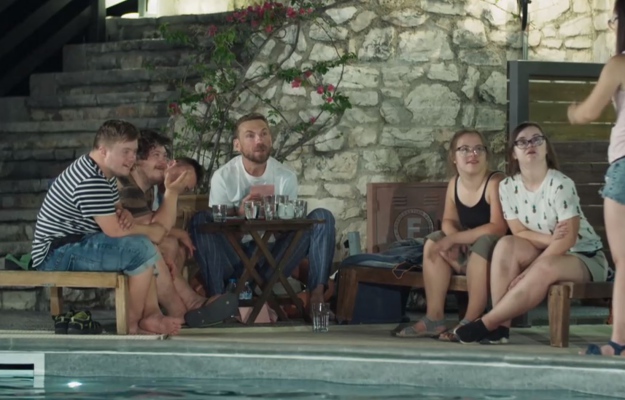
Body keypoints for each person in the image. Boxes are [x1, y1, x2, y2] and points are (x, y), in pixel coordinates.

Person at [454, 122, 609, 344]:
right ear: (514, 153)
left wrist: (530, 270)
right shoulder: (507, 187)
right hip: (546, 247)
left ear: (546, 148)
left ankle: (488, 322)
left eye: (537, 139)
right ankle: (501, 331)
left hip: (584, 256)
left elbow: (568, 239)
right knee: (506, 244)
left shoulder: (561, 184)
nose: (530, 145)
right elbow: (518, 231)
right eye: (522, 142)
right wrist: (550, 239)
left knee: (546, 267)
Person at [31, 120, 183, 335]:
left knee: (141, 246)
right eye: (126, 152)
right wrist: (153, 231)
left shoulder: (104, 172)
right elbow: (114, 230)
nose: (132, 158)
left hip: (78, 242)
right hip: (55, 254)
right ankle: (131, 325)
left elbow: (117, 210)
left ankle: (149, 316)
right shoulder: (89, 179)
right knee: (140, 248)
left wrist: (125, 213)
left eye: (134, 151)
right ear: (103, 150)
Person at [188, 112, 336, 308]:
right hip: (235, 258)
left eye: (264, 134)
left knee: (323, 217)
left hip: (273, 258)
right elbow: (217, 234)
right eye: (250, 135)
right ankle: (218, 301)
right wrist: (240, 214)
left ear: (271, 139)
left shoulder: (285, 176)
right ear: (237, 145)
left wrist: (274, 217)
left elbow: (288, 234)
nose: (259, 140)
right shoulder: (223, 177)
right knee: (201, 219)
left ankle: (316, 297)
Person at [394, 130, 507, 341]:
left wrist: (456, 239)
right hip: (467, 252)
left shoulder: (495, 182)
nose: (472, 154)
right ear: (454, 157)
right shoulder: (455, 183)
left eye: (479, 149)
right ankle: (434, 318)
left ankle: (471, 320)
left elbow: (498, 227)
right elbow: (448, 220)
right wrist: (453, 237)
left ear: (486, 155)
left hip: (495, 256)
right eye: (464, 149)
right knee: (433, 242)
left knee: (482, 243)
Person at [117, 129, 237, 326]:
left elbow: (148, 227)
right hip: (98, 245)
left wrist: (175, 231)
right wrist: (172, 194)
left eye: (165, 156)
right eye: (156, 155)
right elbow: (151, 230)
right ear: (137, 159)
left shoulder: (145, 189)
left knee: (171, 245)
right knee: (155, 247)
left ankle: (186, 304)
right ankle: (180, 309)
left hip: (126, 241)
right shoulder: (127, 185)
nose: (163, 162)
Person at [567, 0, 625, 356]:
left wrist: (573, 111)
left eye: (612, 19)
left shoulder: (620, 64)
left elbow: (589, 112)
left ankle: (619, 342)